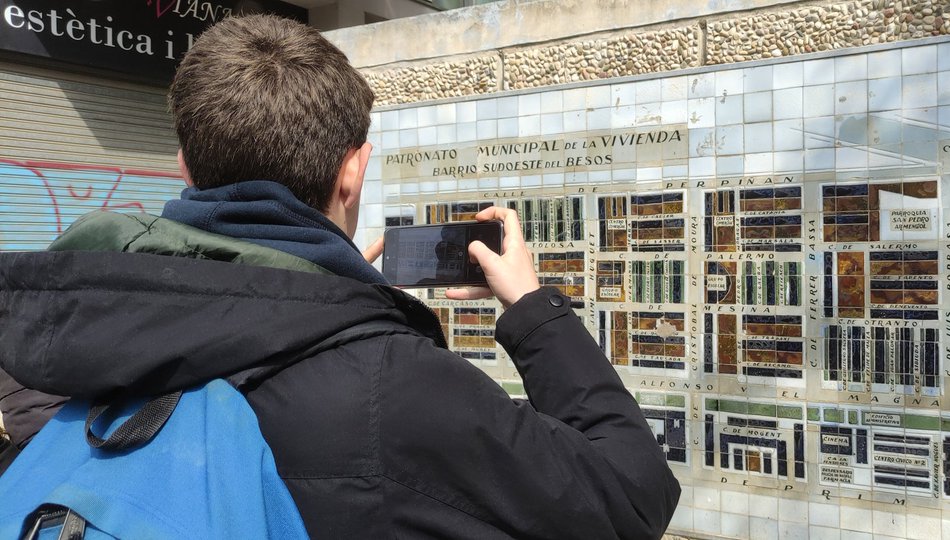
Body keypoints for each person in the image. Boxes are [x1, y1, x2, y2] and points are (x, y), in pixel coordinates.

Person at [0, 14, 680, 539]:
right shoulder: (399, 386)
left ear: (184, 165)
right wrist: (532, 310)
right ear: (353, 168)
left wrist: (337, 306)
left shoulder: (67, 328)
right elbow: (630, 496)